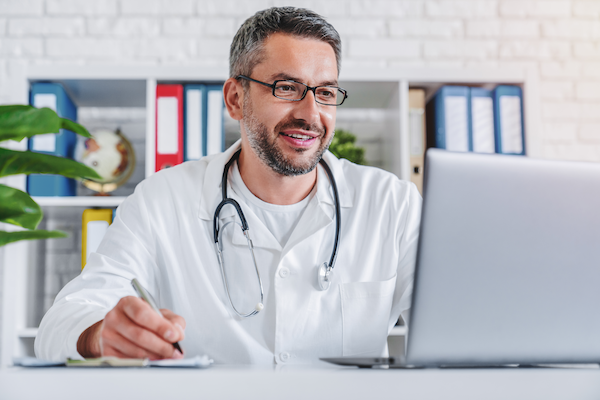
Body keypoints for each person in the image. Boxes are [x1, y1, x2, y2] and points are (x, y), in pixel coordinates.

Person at [35, 7, 422, 365]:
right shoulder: (162, 200)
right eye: (286, 87)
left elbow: (460, 324)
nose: (310, 114)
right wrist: (101, 334)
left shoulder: (393, 204)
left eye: (324, 93)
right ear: (236, 99)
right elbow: (62, 322)